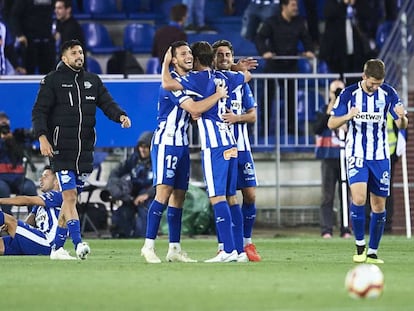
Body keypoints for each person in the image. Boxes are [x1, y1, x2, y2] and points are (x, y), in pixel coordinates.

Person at [31, 39, 131, 260]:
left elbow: (107, 104)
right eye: (74, 53)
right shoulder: (52, 81)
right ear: (64, 58)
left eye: (81, 52)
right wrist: (42, 138)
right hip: (61, 150)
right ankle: (77, 243)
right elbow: (39, 112)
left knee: (70, 201)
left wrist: (120, 116)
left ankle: (56, 248)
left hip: (84, 152)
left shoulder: (92, 81)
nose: (79, 56)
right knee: (70, 195)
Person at [140, 41, 229, 264]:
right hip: (166, 143)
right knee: (163, 193)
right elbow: (195, 108)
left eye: (189, 52)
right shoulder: (172, 84)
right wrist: (217, 96)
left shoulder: (188, 82)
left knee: (179, 196)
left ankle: (174, 248)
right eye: (182, 53)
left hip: (182, 145)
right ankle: (148, 246)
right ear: (173, 59)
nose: (188, 56)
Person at [162, 41, 251, 263]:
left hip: (215, 146)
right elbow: (246, 77)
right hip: (231, 144)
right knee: (231, 197)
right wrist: (237, 69)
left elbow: (167, 84)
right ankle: (239, 251)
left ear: (197, 61)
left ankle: (227, 250)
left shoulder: (196, 80)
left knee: (216, 197)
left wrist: (166, 63)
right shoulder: (224, 77)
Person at [328, 59, 408, 264]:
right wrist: (348, 115)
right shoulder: (349, 94)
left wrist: (402, 118)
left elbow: (401, 124)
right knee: (359, 198)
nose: (375, 87)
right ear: (364, 77)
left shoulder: (388, 93)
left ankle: (372, 251)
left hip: (381, 156)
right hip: (357, 154)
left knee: (379, 205)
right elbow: (331, 123)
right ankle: (359, 245)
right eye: (372, 83)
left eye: (379, 83)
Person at [212, 39, 261, 261]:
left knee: (250, 195)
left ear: (233, 57)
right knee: (225, 195)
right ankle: (225, 245)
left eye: (227, 55)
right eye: (220, 55)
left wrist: (237, 118)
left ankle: (246, 243)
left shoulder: (242, 85)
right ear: (213, 58)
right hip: (222, 147)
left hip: (242, 147)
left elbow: (253, 115)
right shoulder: (212, 83)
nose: (224, 59)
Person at [255, 0, 315, 134]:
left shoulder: (299, 22)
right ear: (284, 6)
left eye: (297, 5)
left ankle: (291, 127)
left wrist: (309, 50)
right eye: (293, 5)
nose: (296, 8)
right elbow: (259, 38)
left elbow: (306, 39)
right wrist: (264, 52)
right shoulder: (271, 21)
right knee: (267, 98)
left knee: (291, 98)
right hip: (273, 65)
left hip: (290, 65)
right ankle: (264, 128)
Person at [0, 166, 75, 258]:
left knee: (10, 220)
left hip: (48, 242)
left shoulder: (59, 196)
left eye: (45, 176)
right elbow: (28, 224)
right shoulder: (39, 204)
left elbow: (27, 200)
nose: (41, 179)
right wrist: (10, 228)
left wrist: (1, 201)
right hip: (36, 240)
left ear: (56, 181)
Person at [314, 80, 352, 239]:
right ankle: (326, 230)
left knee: (346, 194)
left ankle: (346, 229)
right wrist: (330, 110)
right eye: (334, 91)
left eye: (340, 91)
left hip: (346, 157)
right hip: (329, 156)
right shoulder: (323, 110)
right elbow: (317, 128)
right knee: (327, 195)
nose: (337, 94)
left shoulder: (349, 110)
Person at [108, 131, 155, 238]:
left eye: (146, 147)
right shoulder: (133, 160)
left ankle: (146, 237)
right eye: (141, 146)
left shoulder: (157, 161)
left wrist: (147, 194)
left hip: (150, 195)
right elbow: (115, 173)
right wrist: (114, 189)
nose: (142, 149)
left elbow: (162, 182)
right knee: (124, 211)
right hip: (133, 194)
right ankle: (123, 236)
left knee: (146, 209)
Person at [319, 0, 375, 82]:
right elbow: (329, 14)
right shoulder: (333, 4)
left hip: (357, 55)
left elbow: (368, 15)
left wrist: (354, 4)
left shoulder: (360, 4)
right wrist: (344, 4)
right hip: (337, 56)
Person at [0, 111, 37, 215]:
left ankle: (34, 219)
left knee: (30, 187)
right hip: (1, 179)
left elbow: (30, 140)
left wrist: (13, 139)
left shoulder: (16, 139)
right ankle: (7, 221)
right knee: (2, 189)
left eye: (5, 123)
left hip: (18, 179)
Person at [9, 0, 55, 74]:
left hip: (47, 40)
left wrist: (58, 29)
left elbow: (60, 9)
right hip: (29, 41)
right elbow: (14, 16)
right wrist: (19, 34)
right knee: (29, 72)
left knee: (48, 73)